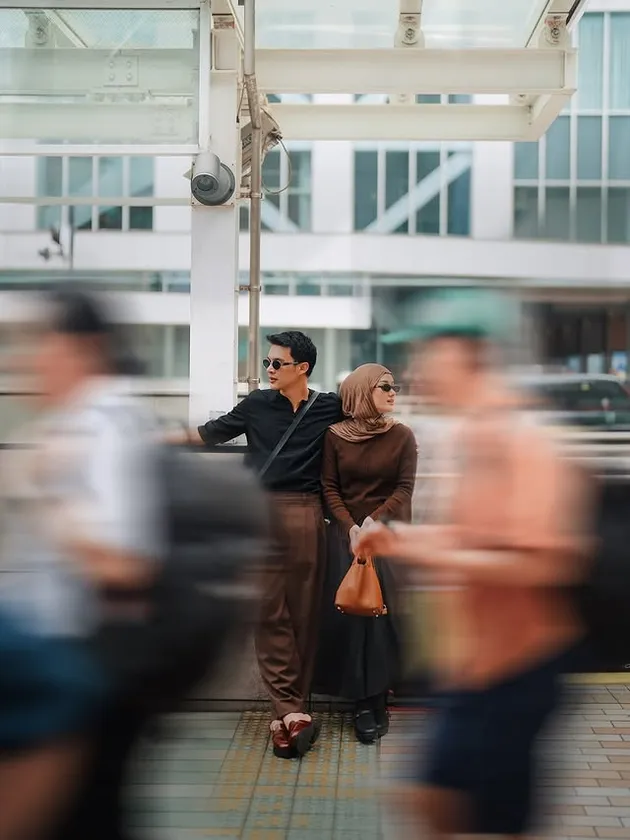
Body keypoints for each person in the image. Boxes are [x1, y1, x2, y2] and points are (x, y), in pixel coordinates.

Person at [357, 291, 591, 839]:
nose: (415, 367)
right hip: (473, 665)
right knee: (443, 804)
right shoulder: (475, 434)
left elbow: (545, 561)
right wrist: (397, 538)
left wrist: (416, 549)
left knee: (445, 802)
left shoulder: (525, 440)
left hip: (518, 670)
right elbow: (475, 537)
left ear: (467, 353)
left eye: (426, 351)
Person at [0, 288, 162, 840]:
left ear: (84, 348)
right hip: (81, 663)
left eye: (40, 342)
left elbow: (125, 563)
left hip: (80, 663)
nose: (26, 359)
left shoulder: (102, 423)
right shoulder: (89, 419)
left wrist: (47, 495)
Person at [177, 331, 342, 758]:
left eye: (276, 363)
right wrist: (153, 441)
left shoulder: (329, 406)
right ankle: (291, 711)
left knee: (305, 613)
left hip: (306, 512)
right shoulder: (255, 405)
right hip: (260, 513)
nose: (268, 369)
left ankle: (290, 713)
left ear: (302, 368)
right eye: (267, 362)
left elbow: (368, 412)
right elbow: (209, 434)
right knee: (269, 612)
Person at [315, 364, 417, 743]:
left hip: (387, 537)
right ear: (361, 392)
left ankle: (378, 699)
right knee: (353, 619)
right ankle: (361, 703)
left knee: (382, 619)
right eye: (384, 387)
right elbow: (329, 487)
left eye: (394, 386)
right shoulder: (335, 436)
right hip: (348, 538)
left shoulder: (402, 435)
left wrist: (375, 520)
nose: (393, 393)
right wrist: (351, 526)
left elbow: (404, 487)